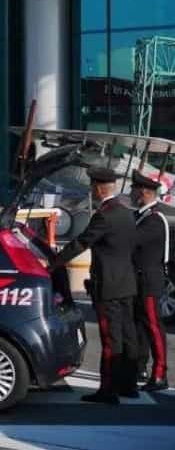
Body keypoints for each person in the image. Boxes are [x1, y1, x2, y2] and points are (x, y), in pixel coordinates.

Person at [50, 166, 139, 404]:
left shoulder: (104, 215)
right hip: (127, 284)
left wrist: (53, 263)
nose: (91, 190)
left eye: (92, 186)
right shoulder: (126, 212)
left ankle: (108, 390)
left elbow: (81, 243)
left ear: (99, 188)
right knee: (127, 336)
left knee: (111, 339)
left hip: (108, 287)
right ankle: (128, 385)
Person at [130, 170, 169, 391]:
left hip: (149, 282)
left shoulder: (154, 219)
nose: (131, 192)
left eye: (134, 189)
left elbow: (133, 240)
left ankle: (160, 373)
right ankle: (139, 367)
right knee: (140, 328)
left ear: (144, 192)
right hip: (137, 281)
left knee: (154, 328)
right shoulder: (140, 216)